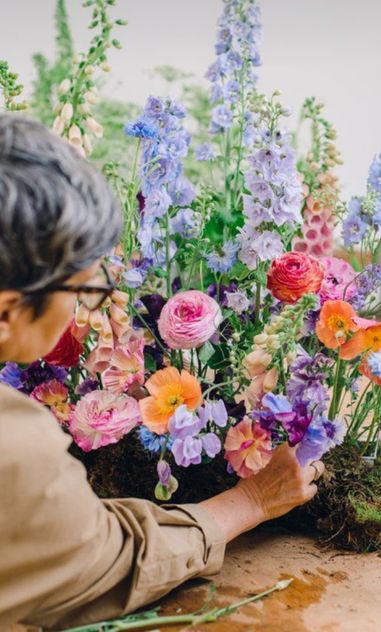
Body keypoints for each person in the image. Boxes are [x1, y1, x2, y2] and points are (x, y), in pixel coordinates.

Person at [0, 115, 324, 630]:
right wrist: (250, 501)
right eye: (84, 293)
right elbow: (100, 563)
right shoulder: (10, 438)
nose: (85, 314)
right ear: (8, 311)